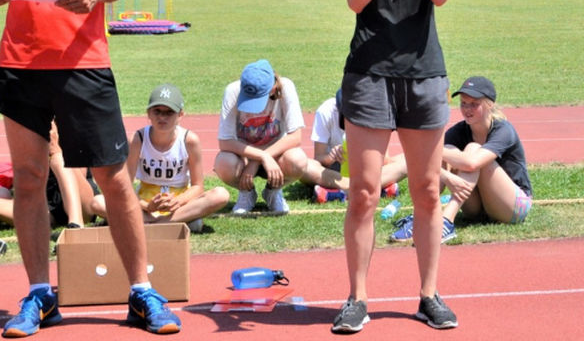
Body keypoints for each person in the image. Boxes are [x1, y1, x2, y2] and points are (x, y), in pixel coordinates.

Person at [0, 0, 181, 337]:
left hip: (83, 59)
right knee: (30, 179)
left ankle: (142, 291)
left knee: (114, 179)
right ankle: (38, 293)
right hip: (19, 59)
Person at [332, 0, 457, 332]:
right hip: (368, 73)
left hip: (423, 73)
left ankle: (429, 294)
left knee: (426, 190)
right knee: (363, 191)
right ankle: (357, 297)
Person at [389, 76, 533, 244]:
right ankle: (423, 215)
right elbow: (425, 159)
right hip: (477, 209)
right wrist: (446, 176)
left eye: (474, 104)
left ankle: (446, 222)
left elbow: (471, 163)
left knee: (471, 150)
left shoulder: (503, 129)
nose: (467, 109)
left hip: (513, 207)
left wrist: (434, 149)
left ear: (490, 104)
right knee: (446, 151)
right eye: (464, 103)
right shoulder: (459, 131)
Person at [88, 84, 229, 232]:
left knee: (220, 195)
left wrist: (177, 201)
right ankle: (169, 223)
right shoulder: (138, 139)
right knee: (97, 202)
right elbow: (126, 186)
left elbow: (198, 186)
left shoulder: (189, 140)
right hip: (145, 202)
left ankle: (152, 223)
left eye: (169, 112)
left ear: (180, 115)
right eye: (157, 111)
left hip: (179, 203)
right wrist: (146, 206)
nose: (162, 117)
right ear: (148, 113)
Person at [215, 59, 313, 215]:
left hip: (277, 158)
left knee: (298, 160)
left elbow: (296, 137)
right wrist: (259, 157)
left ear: (273, 88)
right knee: (223, 163)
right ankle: (246, 192)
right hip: (243, 159)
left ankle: (273, 191)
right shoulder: (232, 91)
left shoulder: (286, 87)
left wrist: (260, 159)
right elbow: (225, 142)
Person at [310, 88, 404, 202]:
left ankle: (338, 193)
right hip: (335, 171)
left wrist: (368, 150)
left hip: (367, 167)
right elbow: (318, 158)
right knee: (303, 165)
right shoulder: (326, 111)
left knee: (409, 161)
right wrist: (331, 157)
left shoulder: (376, 113)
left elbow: (385, 160)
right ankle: (379, 187)